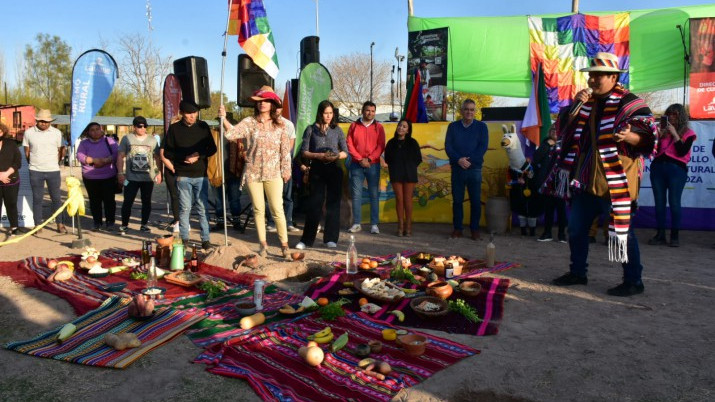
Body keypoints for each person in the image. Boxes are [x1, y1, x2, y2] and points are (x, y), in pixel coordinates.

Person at [544, 52, 657, 297]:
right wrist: (575, 105)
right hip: (586, 180)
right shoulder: (586, 103)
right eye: (591, 76)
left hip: (616, 180)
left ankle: (633, 280)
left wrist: (630, 136)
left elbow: (648, 138)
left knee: (621, 231)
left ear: (614, 77)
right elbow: (562, 130)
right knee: (576, 229)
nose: (593, 81)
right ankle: (578, 273)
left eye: (598, 76)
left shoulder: (631, 103)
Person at [220, 86, 292, 258]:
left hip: (274, 172)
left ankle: (284, 246)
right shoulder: (249, 122)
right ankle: (263, 245)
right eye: (260, 101)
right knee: (258, 209)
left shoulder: (281, 124)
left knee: (277, 209)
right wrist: (223, 118)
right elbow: (232, 134)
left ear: (273, 103)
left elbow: (284, 150)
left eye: (266, 101)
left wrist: (286, 170)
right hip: (252, 172)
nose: (262, 104)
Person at [162, 100, 217, 250]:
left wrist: (199, 155)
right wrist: (184, 158)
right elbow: (167, 152)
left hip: (201, 174)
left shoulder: (203, 126)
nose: (192, 116)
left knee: (202, 207)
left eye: (194, 113)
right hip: (183, 174)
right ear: (182, 114)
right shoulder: (174, 129)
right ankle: (184, 238)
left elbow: (212, 148)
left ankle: (206, 239)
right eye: (189, 113)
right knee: (185, 208)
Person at [293, 100, 348, 250]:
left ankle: (330, 238)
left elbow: (345, 151)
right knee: (314, 204)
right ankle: (306, 240)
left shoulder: (337, 130)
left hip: (334, 169)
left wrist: (336, 156)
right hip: (317, 169)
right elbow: (304, 151)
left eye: (331, 113)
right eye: (326, 113)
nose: (329, 116)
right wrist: (319, 156)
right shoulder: (310, 129)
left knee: (333, 204)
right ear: (320, 113)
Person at [648, 104, 696, 248]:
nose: (671, 117)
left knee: (674, 202)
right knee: (659, 202)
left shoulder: (688, 132)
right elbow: (652, 151)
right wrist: (656, 137)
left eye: (675, 114)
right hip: (657, 168)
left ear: (681, 116)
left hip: (676, 170)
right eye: (669, 114)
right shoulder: (662, 131)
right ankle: (660, 234)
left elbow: (681, 152)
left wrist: (675, 134)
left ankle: (674, 236)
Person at [444, 99, 489, 240]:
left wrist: (469, 161)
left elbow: (483, 147)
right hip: (457, 169)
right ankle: (458, 229)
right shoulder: (453, 127)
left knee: (475, 201)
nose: (469, 112)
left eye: (472, 109)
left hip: (474, 169)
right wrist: (459, 160)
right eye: (466, 109)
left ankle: (474, 230)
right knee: (457, 201)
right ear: (461, 111)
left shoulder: (482, 127)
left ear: (475, 111)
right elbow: (448, 146)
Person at [22, 109, 67, 234]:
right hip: (35, 170)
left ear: (50, 121)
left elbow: (60, 151)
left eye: (47, 121)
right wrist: (33, 163)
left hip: (53, 170)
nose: (44, 123)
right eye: (41, 121)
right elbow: (27, 151)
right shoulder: (28, 133)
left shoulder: (57, 133)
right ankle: (37, 225)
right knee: (37, 199)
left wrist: (55, 163)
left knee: (56, 198)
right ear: (37, 120)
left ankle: (60, 223)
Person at [117, 116, 162, 234]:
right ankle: (124, 225)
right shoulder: (127, 139)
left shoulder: (152, 140)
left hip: (148, 177)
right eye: (139, 126)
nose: (142, 128)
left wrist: (159, 173)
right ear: (134, 127)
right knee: (128, 201)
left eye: (145, 126)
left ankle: (144, 224)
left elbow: (157, 157)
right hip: (131, 178)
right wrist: (120, 173)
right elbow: (120, 156)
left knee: (146, 201)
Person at [347, 101, 386, 234]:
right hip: (356, 165)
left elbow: (381, 145)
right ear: (362, 111)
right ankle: (357, 223)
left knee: (374, 194)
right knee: (356, 195)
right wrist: (359, 159)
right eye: (368, 110)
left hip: (373, 165)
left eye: (373, 111)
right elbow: (349, 144)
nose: (370, 113)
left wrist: (369, 159)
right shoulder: (353, 126)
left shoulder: (379, 127)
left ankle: (374, 224)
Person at [76, 123, 118, 231]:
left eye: (97, 129)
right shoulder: (84, 143)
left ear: (101, 129)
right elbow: (80, 155)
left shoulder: (110, 141)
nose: (95, 132)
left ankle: (110, 221)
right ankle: (97, 222)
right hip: (90, 177)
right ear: (88, 132)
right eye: (92, 130)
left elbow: (116, 154)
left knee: (109, 200)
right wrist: (92, 160)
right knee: (94, 201)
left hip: (108, 176)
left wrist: (105, 160)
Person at [384, 119, 422, 237]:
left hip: (409, 174)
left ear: (408, 130)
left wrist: (409, 167)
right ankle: (400, 226)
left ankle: (408, 226)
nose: (401, 128)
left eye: (404, 127)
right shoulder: (391, 143)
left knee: (408, 199)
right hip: (396, 173)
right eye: (400, 125)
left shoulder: (413, 142)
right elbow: (387, 159)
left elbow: (418, 159)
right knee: (399, 199)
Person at [266, 109, 300, 233]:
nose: (276, 110)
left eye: (278, 107)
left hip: (284, 161)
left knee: (287, 194)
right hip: (269, 163)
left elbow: (291, 144)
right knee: (271, 195)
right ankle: (271, 222)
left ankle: (288, 222)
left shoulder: (288, 124)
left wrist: (282, 155)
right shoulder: (266, 123)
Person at [534, 122, 567, 243]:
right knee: (548, 209)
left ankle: (562, 234)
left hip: (561, 182)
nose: (554, 131)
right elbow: (536, 158)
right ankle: (547, 233)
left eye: (557, 129)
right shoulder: (545, 144)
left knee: (561, 209)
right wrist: (547, 145)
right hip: (547, 182)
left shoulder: (565, 144)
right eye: (552, 129)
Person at [0, 123, 22, 236]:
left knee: (11, 204)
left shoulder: (11, 144)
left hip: (11, 180)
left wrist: (6, 173)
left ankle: (14, 227)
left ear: (3, 132)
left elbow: (18, 162)